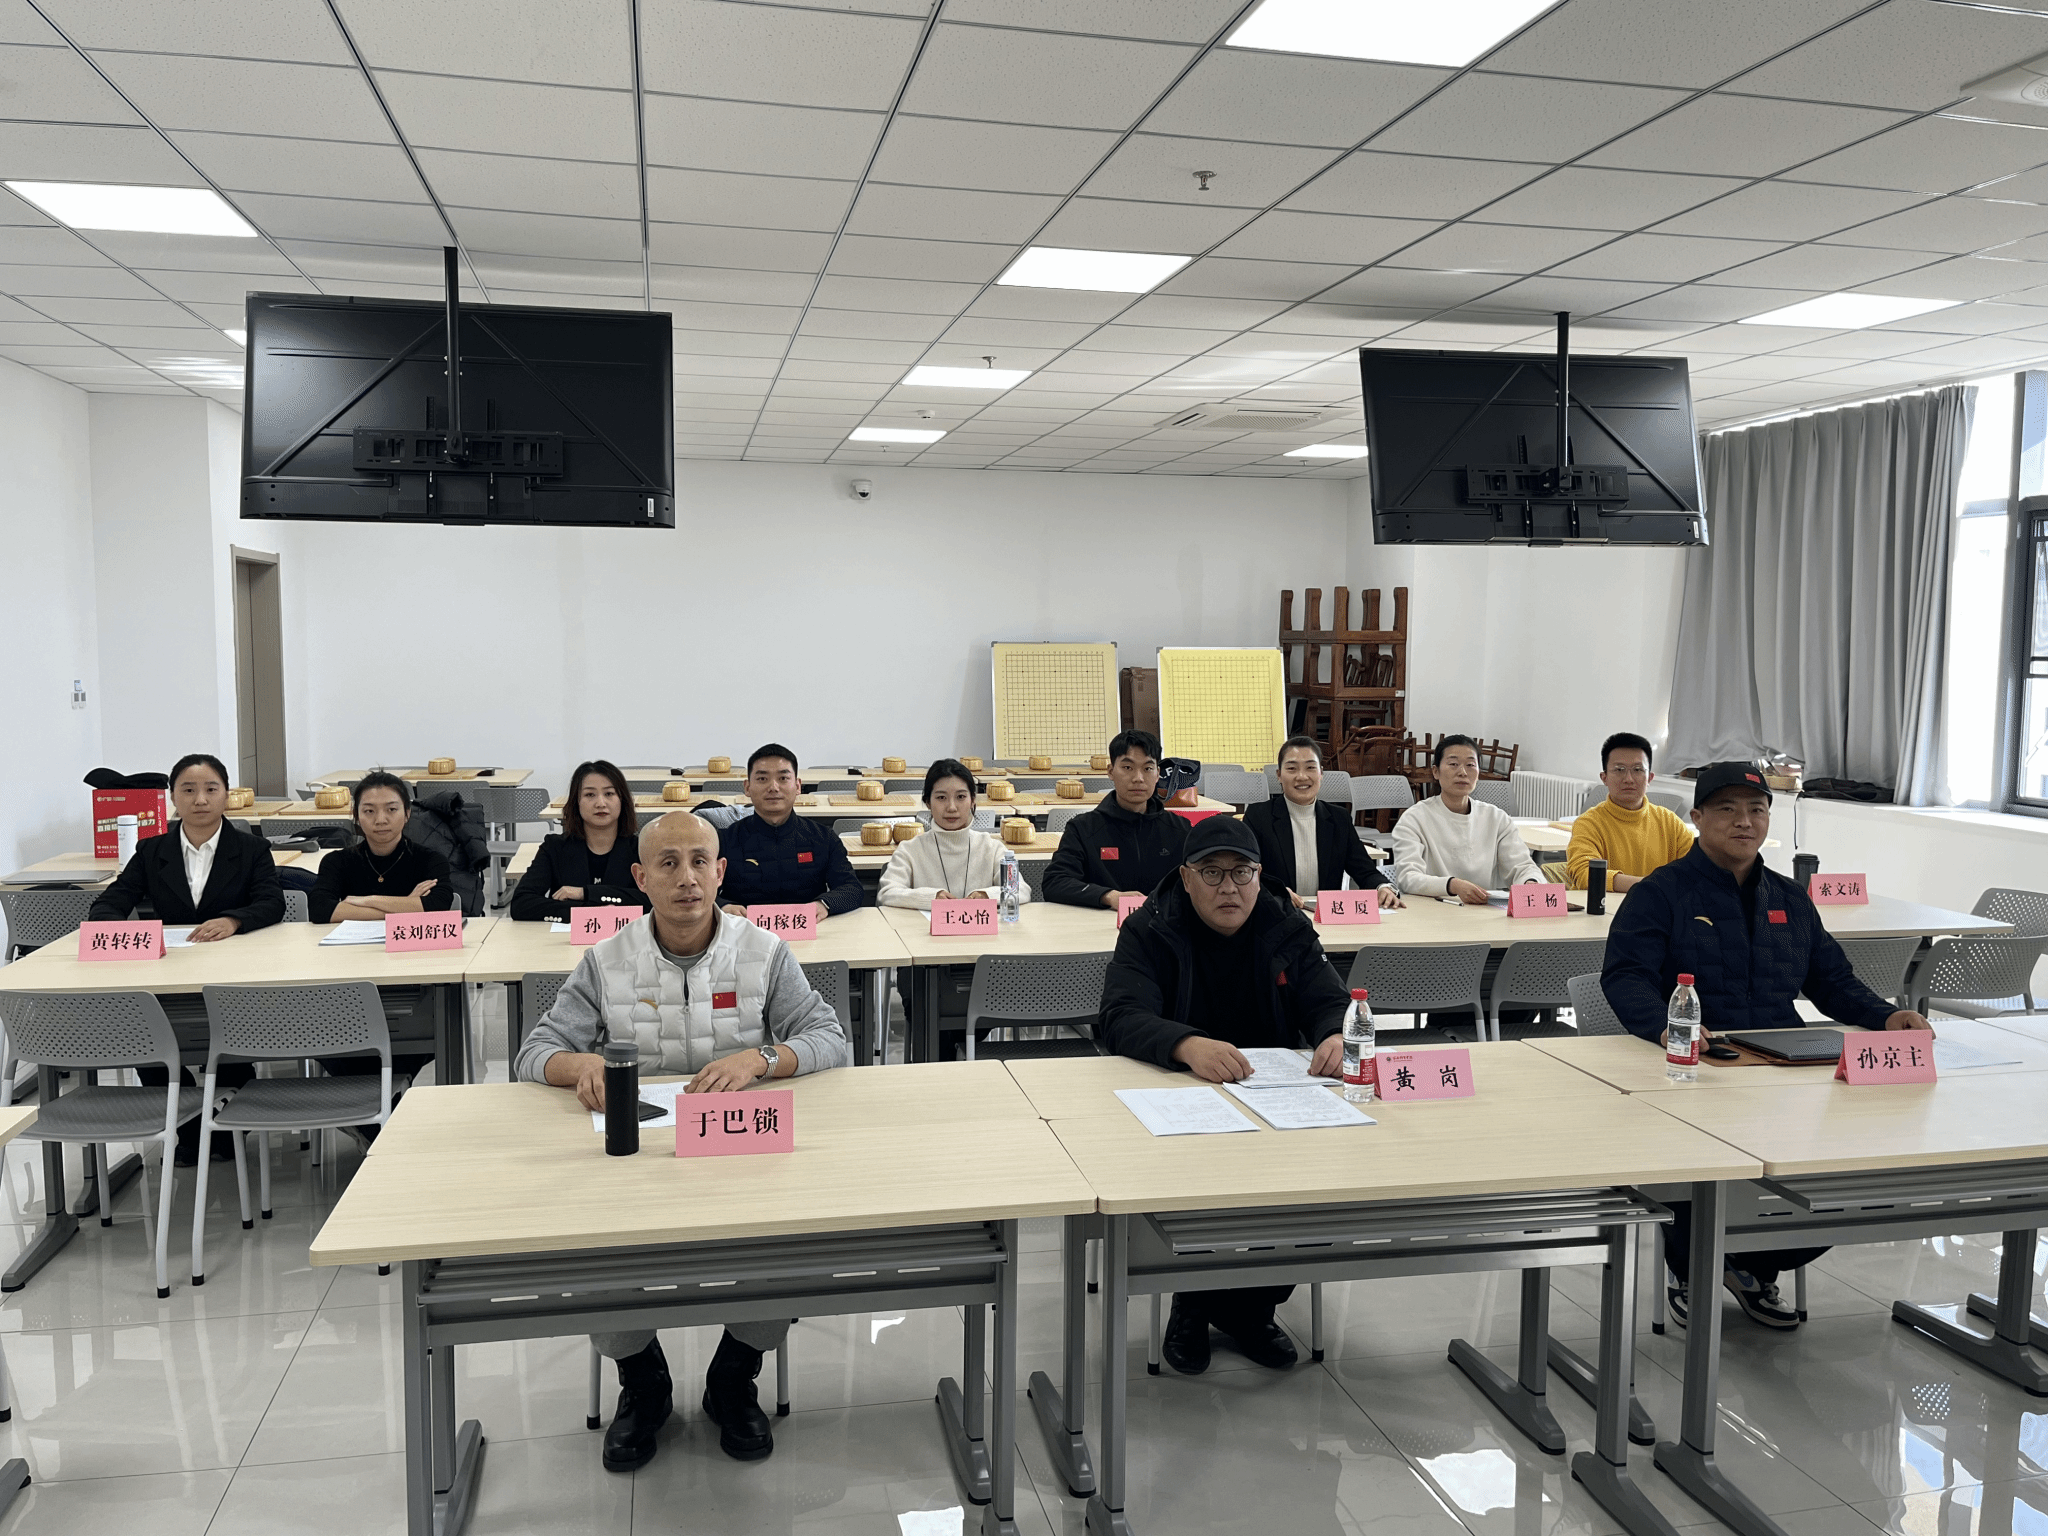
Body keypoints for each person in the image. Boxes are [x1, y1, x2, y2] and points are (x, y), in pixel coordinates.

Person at [516, 811, 850, 1471]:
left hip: (738, 1147)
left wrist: (761, 1059)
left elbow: (830, 1038)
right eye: (667, 863)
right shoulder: (606, 959)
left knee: (795, 1236)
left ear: (721, 872)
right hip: (636, 1157)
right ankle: (643, 1381)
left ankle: (735, 1374)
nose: (687, 878)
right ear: (640, 878)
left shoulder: (764, 951)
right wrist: (577, 1065)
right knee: (589, 1244)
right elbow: (536, 1051)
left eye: (700, 861)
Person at [1601, 762, 1933, 1332]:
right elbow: (1626, 976)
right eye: (1727, 809)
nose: (1744, 821)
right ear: (1697, 817)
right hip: (1694, 1069)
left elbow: (1831, 981)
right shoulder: (1661, 893)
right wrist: (1667, 1027)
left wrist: (1885, 1016)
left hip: (1787, 1066)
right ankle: (1694, 1266)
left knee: (1842, 1179)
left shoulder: (1789, 898)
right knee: (1699, 1169)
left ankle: (1748, 1264)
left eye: (1756, 810)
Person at [1099, 816, 1351, 1376]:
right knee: (1201, 1192)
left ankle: (1248, 1308)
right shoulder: (1151, 926)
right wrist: (1186, 1044)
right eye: (1211, 873)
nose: (1228, 887)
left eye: (1242, 873)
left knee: (1317, 1191)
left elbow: (1327, 997)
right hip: (1179, 1092)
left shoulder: (1285, 922)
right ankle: (1194, 1305)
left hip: (1273, 1094)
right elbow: (1119, 1016)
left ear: (1260, 876)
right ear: (1185, 878)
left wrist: (1335, 1031)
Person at [91, 752, 284, 1163]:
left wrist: (234, 920)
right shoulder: (152, 849)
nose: (200, 800)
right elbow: (110, 903)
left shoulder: (251, 848)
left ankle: (228, 1118)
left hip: (232, 974)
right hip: (170, 972)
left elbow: (271, 903)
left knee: (230, 1043)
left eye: (211, 789)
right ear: (172, 797)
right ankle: (188, 1125)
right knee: (147, 1038)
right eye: (188, 790)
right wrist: (127, 935)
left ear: (226, 795)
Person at [1242, 735, 1400, 912]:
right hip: (1277, 913)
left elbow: (1364, 870)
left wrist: (1382, 887)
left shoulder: (1339, 818)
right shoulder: (1259, 816)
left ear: (1321, 773)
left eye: (1310, 767)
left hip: (1326, 915)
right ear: (1279, 775)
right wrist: (1275, 892)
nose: (1302, 776)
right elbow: (1246, 871)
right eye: (1292, 768)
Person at [716, 743, 863, 922]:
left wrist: (824, 904)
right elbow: (700, 890)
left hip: (809, 928)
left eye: (783, 778)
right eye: (762, 779)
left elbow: (851, 888)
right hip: (744, 930)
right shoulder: (724, 840)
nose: (773, 787)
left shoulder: (823, 837)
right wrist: (723, 906)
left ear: (798, 786)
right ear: (747, 787)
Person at [1044, 729, 1189, 909]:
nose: (1138, 778)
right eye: (1128, 768)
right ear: (1111, 771)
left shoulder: (1180, 829)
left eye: (1147, 768)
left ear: (1158, 773)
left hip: (1163, 923)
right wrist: (1108, 896)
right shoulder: (1083, 828)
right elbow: (1055, 882)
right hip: (1102, 923)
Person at [1392, 734, 1543, 901]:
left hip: (1483, 909)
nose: (1462, 772)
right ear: (1436, 771)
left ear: (1478, 773)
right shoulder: (1414, 818)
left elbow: (1522, 866)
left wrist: (1531, 882)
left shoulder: (1496, 818)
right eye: (1453, 764)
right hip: (1434, 908)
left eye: (1470, 765)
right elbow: (1408, 878)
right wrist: (1452, 885)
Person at [878, 759, 1034, 910]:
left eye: (960, 797)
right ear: (928, 802)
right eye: (941, 798)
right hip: (923, 928)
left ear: (972, 800)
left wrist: (987, 896)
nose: (951, 807)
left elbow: (1021, 890)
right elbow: (887, 893)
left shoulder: (993, 848)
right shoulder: (910, 850)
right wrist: (931, 898)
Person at [509, 759, 652, 922]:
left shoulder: (640, 848)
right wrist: (586, 913)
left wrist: (586, 893)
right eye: (590, 795)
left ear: (622, 800)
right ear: (576, 802)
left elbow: (653, 901)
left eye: (609, 794)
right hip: (566, 937)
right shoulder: (555, 847)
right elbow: (521, 904)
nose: (600, 803)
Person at [308, 773, 459, 924]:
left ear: (407, 814)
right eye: (369, 811)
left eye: (391, 809)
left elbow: (438, 906)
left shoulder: (431, 860)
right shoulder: (336, 861)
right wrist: (407, 904)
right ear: (357, 817)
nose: (380, 820)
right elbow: (320, 910)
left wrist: (368, 901)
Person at [1564, 733, 1693, 891]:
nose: (1629, 779)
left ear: (1650, 778)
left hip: (1657, 905)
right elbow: (1585, 875)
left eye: (1638, 770)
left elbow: (1696, 870)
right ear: (1604, 778)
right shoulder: (1589, 823)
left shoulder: (1670, 822)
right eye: (1619, 770)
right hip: (1604, 907)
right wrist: (1651, 886)